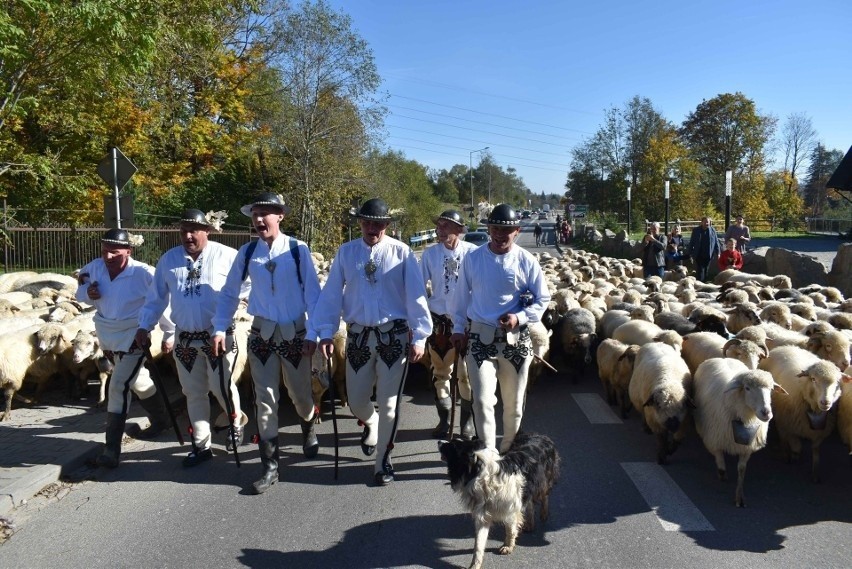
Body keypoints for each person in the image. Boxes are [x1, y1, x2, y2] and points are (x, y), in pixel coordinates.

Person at [313, 198, 432, 486]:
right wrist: (326, 332)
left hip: (394, 337)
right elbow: (331, 295)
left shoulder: (402, 252)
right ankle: (372, 423)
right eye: (366, 222)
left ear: (387, 225)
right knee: (355, 401)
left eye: (377, 223)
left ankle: (383, 461)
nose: (371, 228)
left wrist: (420, 335)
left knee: (389, 404)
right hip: (357, 338)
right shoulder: (346, 252)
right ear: (360, 223)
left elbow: (416, 295)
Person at [212, 193, 323, 494]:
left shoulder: (298, 250)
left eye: (266, 214)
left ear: (280, 216)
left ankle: (308, 425)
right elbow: (229, 292)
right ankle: (270, 466)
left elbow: (313, 295)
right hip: (261, 334)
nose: (260, 219)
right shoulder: (248, 253)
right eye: (256, 214)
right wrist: (220, 327)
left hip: (295, 334)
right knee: (265, 401)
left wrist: (315, 333)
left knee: (300, 395)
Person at [135, 209, 248, 468]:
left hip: (217, 336)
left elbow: (250, 282)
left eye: (194, 230)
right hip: (184, 337)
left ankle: (234, 423)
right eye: (183, 230)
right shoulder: (169, 260)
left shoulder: (226, 256)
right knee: (193, 392)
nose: (188, 235)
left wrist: (236, 303)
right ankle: (201, 444)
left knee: (222, 387)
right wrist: (144, 326)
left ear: (207, 230)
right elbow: (156, 298)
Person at [449, 204, 550, 454]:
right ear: (489, 229)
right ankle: (488, 454)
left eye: (506, 230)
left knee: (514, 404)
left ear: (516, 231)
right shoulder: (473, 259)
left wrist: (519, 317)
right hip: (480, 339)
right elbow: (461, 298)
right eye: (494, 228)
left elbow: (542, 298)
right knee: (482, 400)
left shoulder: (526, 260)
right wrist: (458, 328)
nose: (499, 234)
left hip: (514, 342)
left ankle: (508, 452)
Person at [75, 229, 174, 468]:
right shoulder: (94, 267)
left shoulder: (144, 273)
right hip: (107, 334)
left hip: (134, 334)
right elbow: (80, 294)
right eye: (105, 251)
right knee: (137, 380)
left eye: (114, 252)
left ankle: (111, 451)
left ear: (128, 251)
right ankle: (162, 420)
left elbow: (161, 301)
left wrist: (169, 333)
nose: (108, 256)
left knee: (118, 386)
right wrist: (88, 293)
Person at [420, 210, 477, 440]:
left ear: (458, 230)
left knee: (466, 375)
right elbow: (418, 287)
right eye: (439, 225)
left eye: (446, 226)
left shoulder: (473, 254)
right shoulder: (430, 255)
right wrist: (419, 318)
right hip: (440, 321)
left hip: (467, 322)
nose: (440, 230)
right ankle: (444, 420)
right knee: (441, 372)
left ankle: (466, 423)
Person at [688, 216, 721, 282]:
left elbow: (716, 241)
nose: (707, 223)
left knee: (706, 270)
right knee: (700, 270)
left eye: (708, 222)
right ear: (702, 222)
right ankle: (699, 284)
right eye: (705, 222)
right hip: (699, 254)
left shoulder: (712, 230)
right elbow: (692, 242)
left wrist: (718, 252)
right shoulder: (696, 230)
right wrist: (690, 253)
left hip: (708, 254)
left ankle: (704, 283)